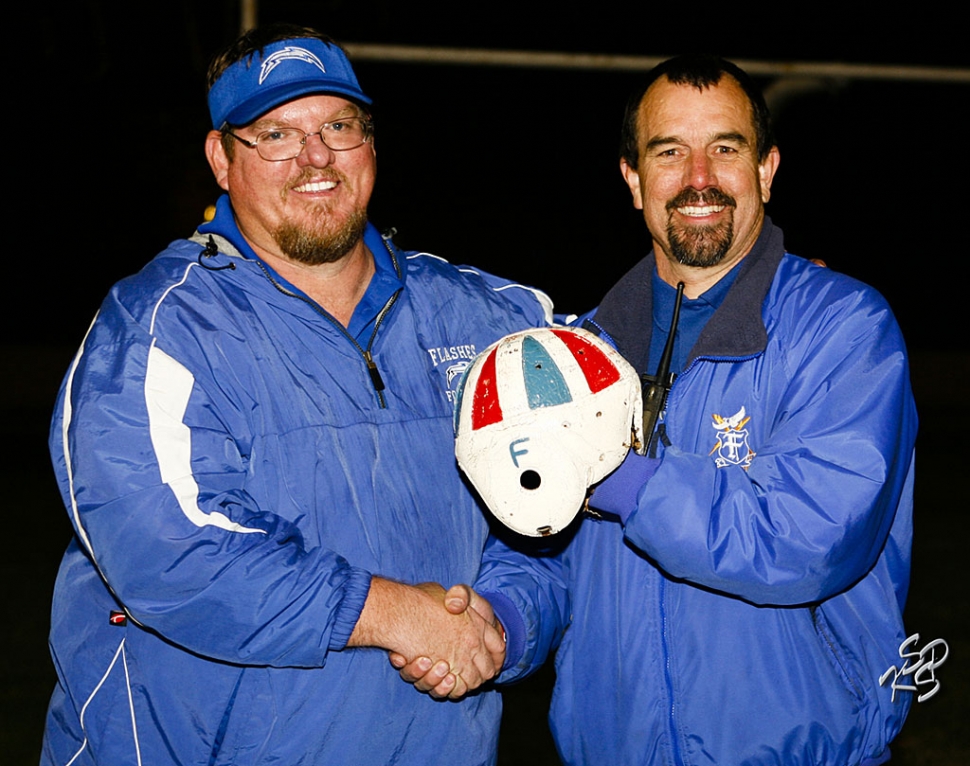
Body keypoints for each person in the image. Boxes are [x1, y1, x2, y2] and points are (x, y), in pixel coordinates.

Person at [42, 23, 552, 766]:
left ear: (370, 143)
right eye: (276, 134)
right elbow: (172, 553)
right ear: (222, 158)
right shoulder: (157, 329)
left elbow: (562, 512)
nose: (316, 157)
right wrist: (389, 614)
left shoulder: (486, 318)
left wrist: (501, 624)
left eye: (338, 127)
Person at [402, 55, 917, 765]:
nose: (698, 177)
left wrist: (621, 475)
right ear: (633, 178)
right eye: (670, 152)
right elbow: (544, 548)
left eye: (725, 149)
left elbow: (814, 537)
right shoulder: (576, 356)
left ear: (766, 170)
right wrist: (504, 625)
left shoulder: (844, 328)